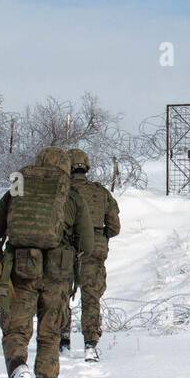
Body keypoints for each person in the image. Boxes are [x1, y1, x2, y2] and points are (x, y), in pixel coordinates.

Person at [0, 147, 93, 378]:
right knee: (50, 332)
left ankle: (18, 369)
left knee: (16, 329)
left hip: (21, 267)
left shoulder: (18, 189)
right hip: (58, 272)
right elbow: (88, 244)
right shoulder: (72, 195)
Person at [62, 149, 121, 362]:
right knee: (91, 296)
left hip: (66, 247)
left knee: (62, 294)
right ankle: (90, 344)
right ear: (86, 166)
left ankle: (63, 340)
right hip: (94, 249)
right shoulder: (101, 192)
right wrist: (100, 235)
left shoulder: (62, 190)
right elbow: (114, 227)